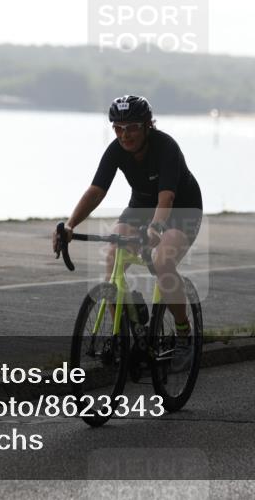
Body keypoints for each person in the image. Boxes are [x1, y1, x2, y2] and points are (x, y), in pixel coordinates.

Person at [52, 95, 203, 366]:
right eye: (118, 128)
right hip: (141, 207)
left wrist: (156, 228)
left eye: (132, 127)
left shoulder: (166, 147)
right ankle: (121, 334)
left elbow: (166, 198)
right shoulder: (116, 150)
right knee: (112, 256)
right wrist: (71, 224)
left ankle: (183, 334)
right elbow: (96, 191)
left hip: (181, 209)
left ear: (148, 125)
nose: (125, 135)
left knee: (162, 262)